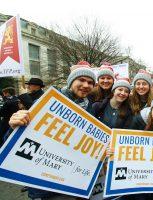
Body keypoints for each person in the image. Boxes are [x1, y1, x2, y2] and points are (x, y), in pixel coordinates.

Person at [9, 62, 97, 200]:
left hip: (71, 182)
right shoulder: (47, 102)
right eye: (81, 80)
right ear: (71, 81)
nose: (86, 85)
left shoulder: (89, 107)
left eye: (90, 82)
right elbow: (15, 141)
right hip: (43, 185)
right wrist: (15, 126)